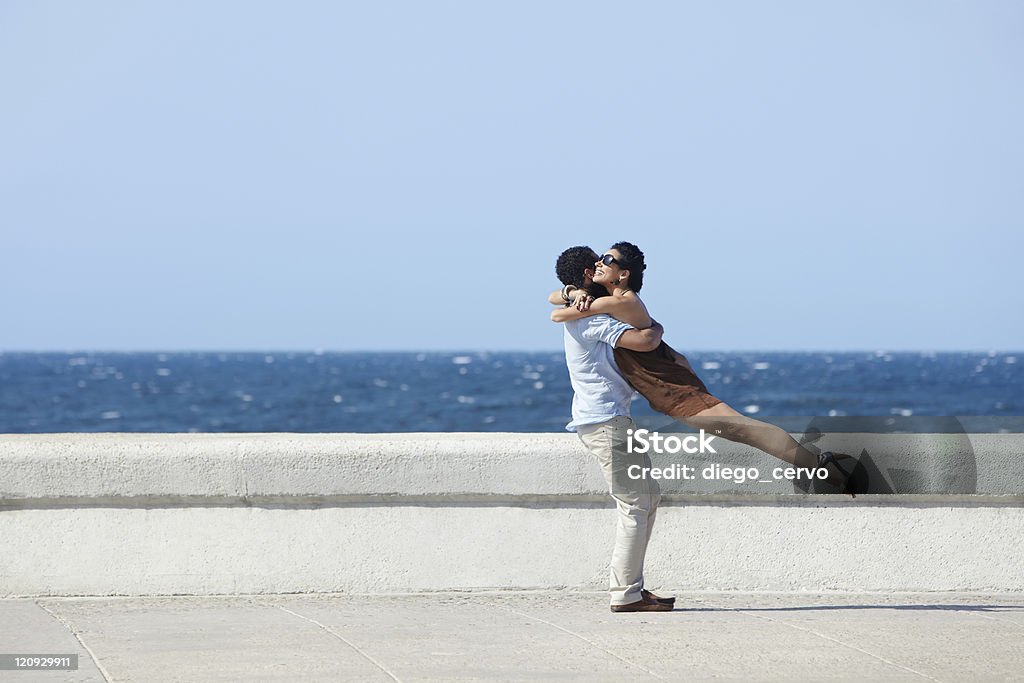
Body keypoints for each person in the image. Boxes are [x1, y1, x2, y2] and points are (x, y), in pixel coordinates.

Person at [549, 243, 855, 492]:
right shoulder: (608, 295)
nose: (602, 263)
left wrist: (651, 330)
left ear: (623, 274)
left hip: (669, 384)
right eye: (600, 259)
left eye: (608, 259)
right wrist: (573, 293)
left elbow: (558, 317)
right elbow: (554, 299)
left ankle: (821, 465)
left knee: (739, 427)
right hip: (663, 381)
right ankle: (818, 464)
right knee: (737, 430)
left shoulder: (619, 301)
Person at [554, 246, 676, 612]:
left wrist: (570, 292)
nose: (602, 265)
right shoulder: (589, 318)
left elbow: (557, 297)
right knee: (636, 502)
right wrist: (657, 326)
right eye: (597, 263)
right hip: (606, 421)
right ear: (589, 274)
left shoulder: (581, 306)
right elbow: (645, 340)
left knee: (647, 497)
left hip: (605, 418)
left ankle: (632, 588)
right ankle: (626, 594)